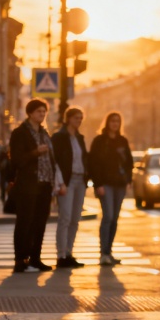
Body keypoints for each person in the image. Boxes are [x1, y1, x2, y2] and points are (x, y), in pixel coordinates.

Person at [9, 99, 65, 272]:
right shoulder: (20, 133)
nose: (42, 114)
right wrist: (35, 152)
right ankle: (20, 260)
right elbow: (17, 159)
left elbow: (52, 159)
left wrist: (56, 180)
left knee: (40, 222)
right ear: (30, 113)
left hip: (45, 183)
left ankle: (35, 258)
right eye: (39, 111)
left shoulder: (44, 133)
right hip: (28, 183)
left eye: (44, 112)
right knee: (25, 221)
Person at [88, 111, 133, 266]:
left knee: (114, 218)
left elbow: (129, 162)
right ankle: (103, 253)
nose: (115, 124)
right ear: (107, 123)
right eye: (112, 121)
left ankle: (109, 252)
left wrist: (128, 179)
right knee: (107, 216)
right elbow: (93, 163)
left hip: (119, 184)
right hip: (105, 184)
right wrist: (97, 183)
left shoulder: (122, 141)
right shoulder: (100, 141)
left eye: (117, 121)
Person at [51, 106, 88, 268]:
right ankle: (61, 255)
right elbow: (55, 160)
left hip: (80, 181)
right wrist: (60, 182)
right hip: (67, 181)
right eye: (75, 118)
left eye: (80, 118)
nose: (78, 121)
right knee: (65, 218)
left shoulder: (80, 137)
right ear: (68, 119)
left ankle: (69, 253)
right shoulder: (59, 137)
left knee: (75, 219)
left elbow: (84, 158)